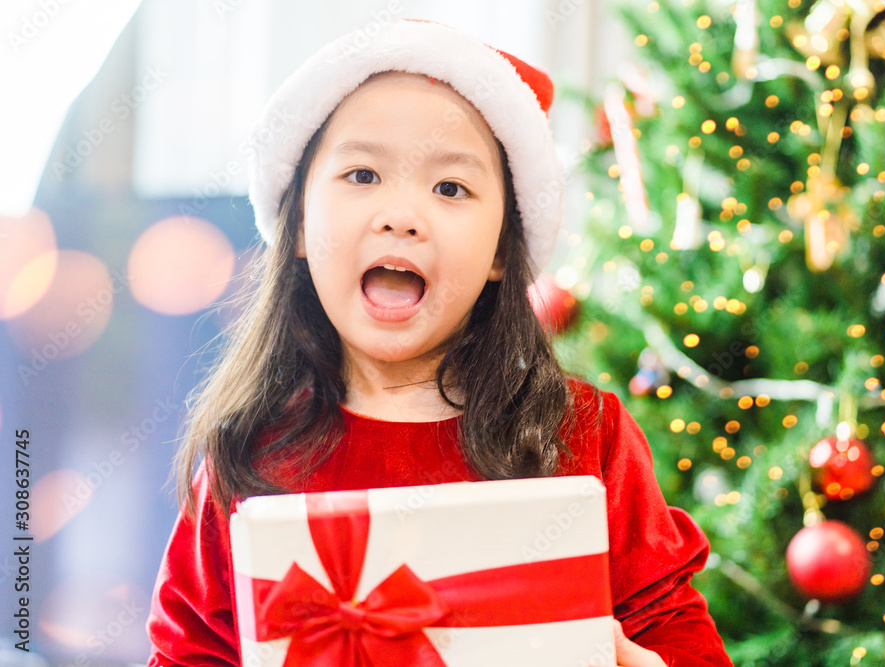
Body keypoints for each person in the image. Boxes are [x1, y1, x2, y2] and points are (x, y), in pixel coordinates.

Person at [145, 18, 733, 667]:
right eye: (363, 174)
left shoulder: (586, 435)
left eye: (450, 187)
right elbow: (187, 652)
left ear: (502, 252)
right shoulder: (247, 456)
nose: (402, 214)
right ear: (301, 224)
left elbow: (676, 630)